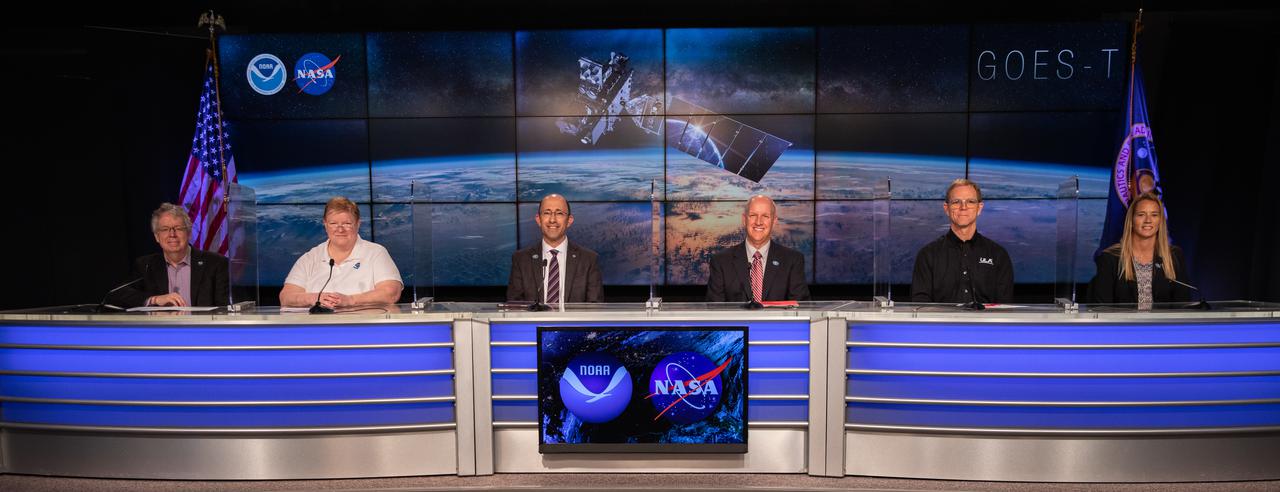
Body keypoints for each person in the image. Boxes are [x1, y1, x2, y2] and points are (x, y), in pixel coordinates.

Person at [279, 197, 402, 309]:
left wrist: (351, 300)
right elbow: (286, 297)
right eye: (333, 223)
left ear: (358, 224)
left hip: (363, 329)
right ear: (325, 224)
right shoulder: (310, 258)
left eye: (347, 223)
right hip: (316, 329)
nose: (340, 229)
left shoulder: (376, 252)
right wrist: (315, 298)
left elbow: (391, 293)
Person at [911, 179, 1014, 304]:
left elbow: (1004, 307)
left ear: (979, 208)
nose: (963, 207)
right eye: (956, 202)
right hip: (941, 324)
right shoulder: (928, 255)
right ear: (946, 208)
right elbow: (920, 305)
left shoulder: (998, 255)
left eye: (970, 201)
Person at [108, 203, 230, 308]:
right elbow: (118, 294)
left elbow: (225, 309)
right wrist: (155, 300)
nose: (172, 234)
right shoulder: (146, 265)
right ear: (157, 236)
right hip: (161, 333)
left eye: (178, 228)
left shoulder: (216, 264)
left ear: (188, 233)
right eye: (165, 229)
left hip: (203, 332)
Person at [1087, 192, 1190, 308]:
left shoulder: (1174, 256)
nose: (1148, 220)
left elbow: (1183, 307)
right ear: (1131, 220)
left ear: (1160, 221)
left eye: (1154, 215)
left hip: (1163, 326)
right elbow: (1101, 309)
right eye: (1141, 214)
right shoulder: (1110, 258)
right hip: (1122, 326)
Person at [706, 195, 810, 303]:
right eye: (753, 215)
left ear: (774, 221)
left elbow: (801, 309)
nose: (758, 222)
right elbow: (715, 312)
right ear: (744, 219)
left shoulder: (792, 261)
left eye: (765, 216)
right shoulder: (721, 261)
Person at [507, 194, 604, 305]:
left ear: (569, 220)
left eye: (559, 213)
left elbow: (595, 306)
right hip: (535, 323)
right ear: (538, 219)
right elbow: (514, 306)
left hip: (574, 323)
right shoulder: (521, 260)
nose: (552, 220)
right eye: (547, 213)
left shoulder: (589, 259)